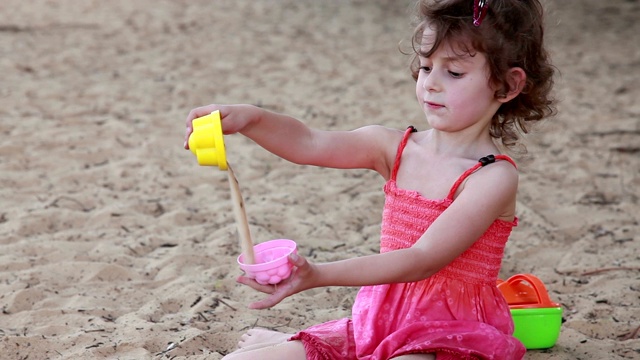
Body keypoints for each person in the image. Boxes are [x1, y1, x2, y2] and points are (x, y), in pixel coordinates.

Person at [184, 0, 555, 358]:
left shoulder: (493, 176)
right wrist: (252, 119)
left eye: (454, 72)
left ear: (507, 86)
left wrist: (316, 274)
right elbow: (309, 143)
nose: (431, 84)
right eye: (426, 67)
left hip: (450, 334)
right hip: (381, 321)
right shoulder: (392, 146)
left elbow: (422, 259)